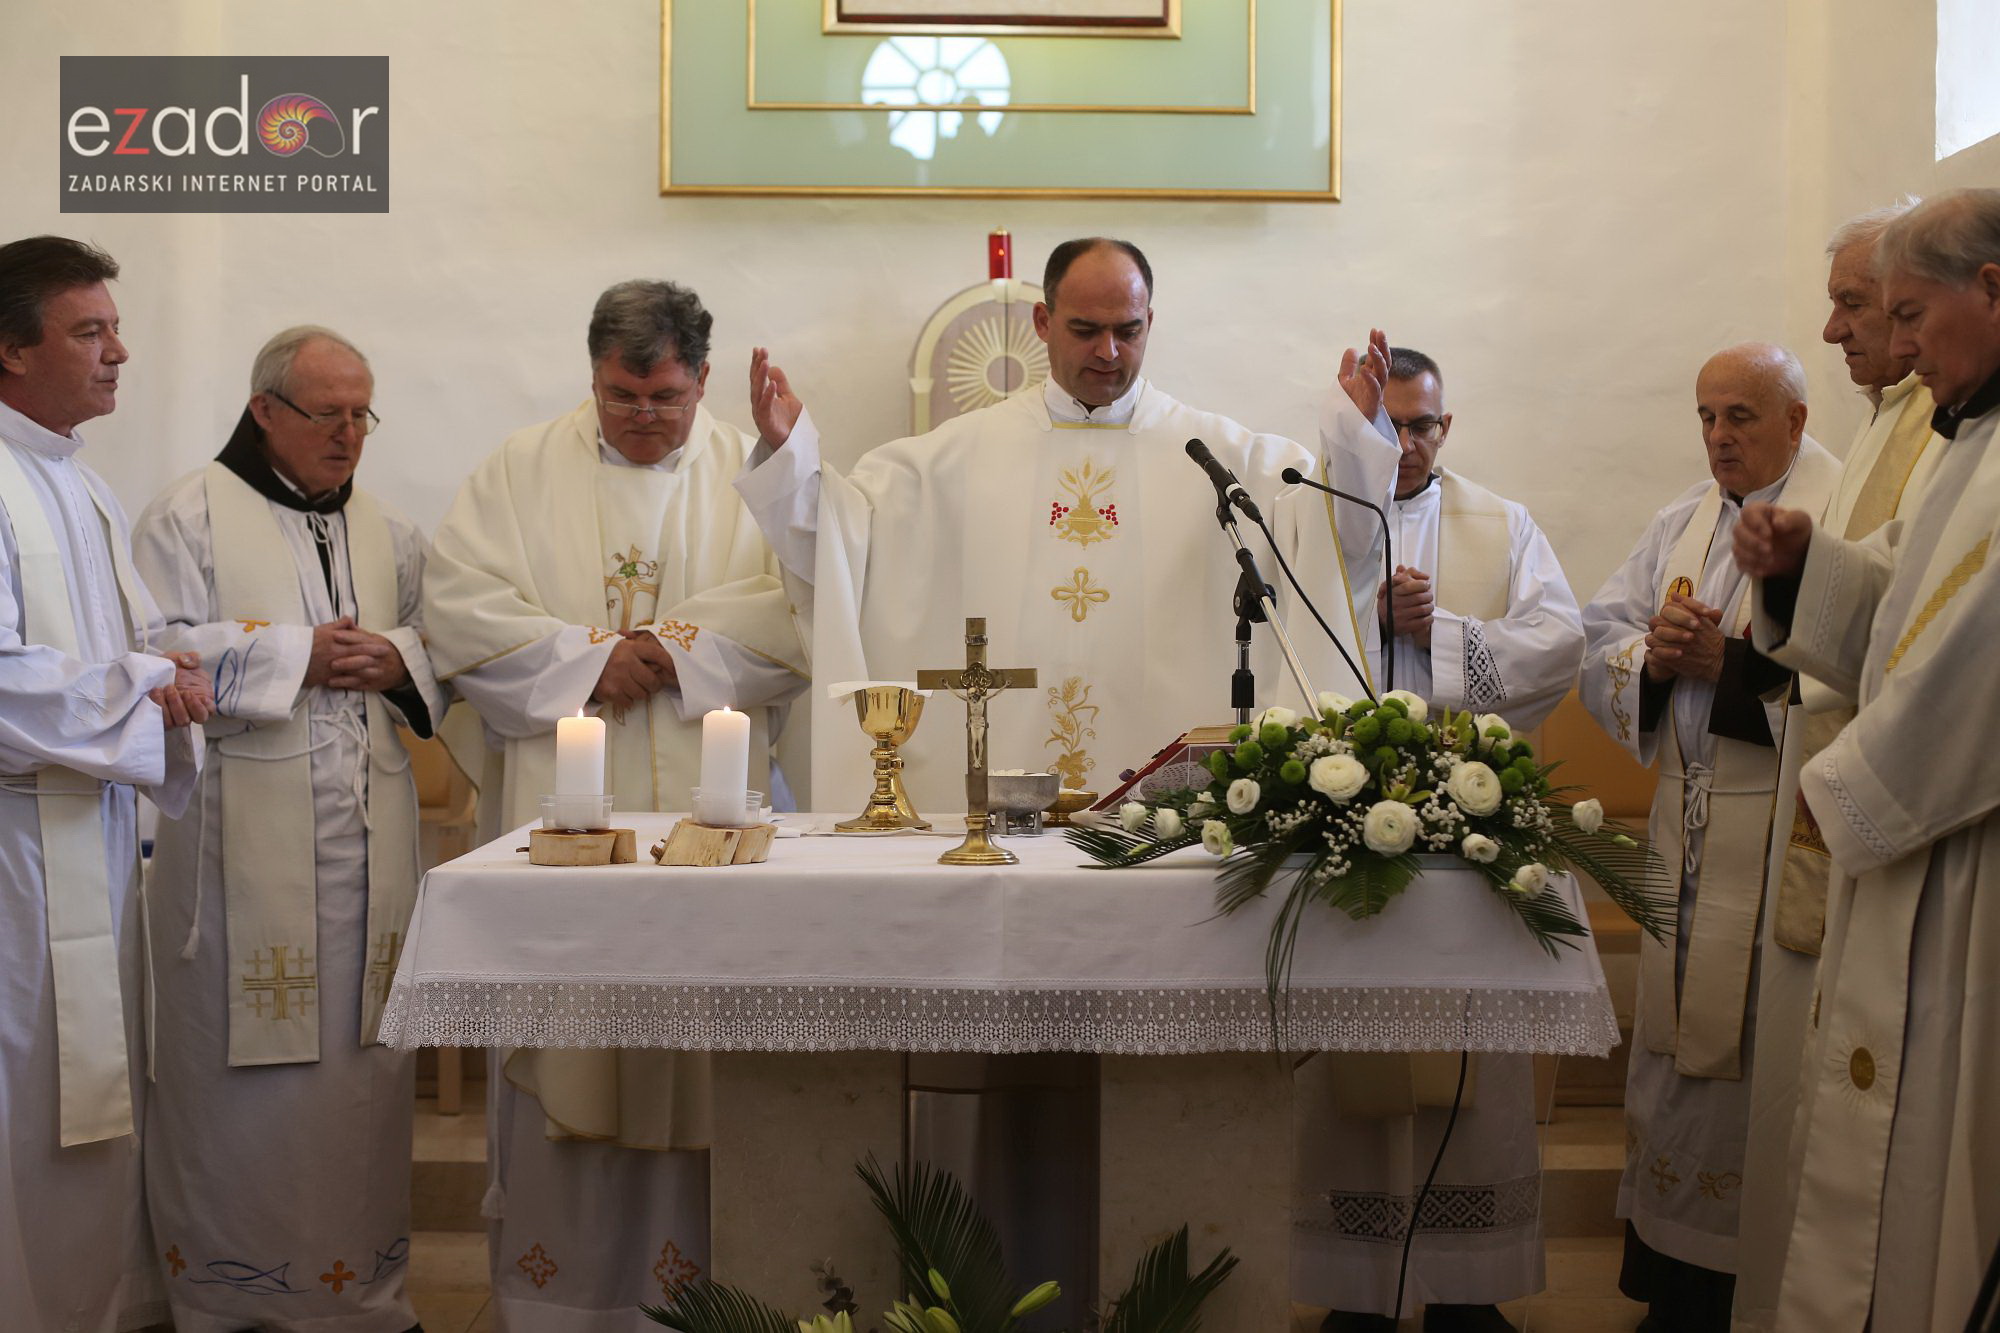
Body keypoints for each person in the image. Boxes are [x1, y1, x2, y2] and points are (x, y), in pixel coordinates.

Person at [423, 279, 806, 1329]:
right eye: (619, 394)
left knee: (698, 1055)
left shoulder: (753, 474)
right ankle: (564, 1306)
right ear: (592, 376)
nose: (641, 416)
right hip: (560, 819)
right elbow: (457, 607)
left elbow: (803, 604)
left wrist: (670, 651)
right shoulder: (517, 469)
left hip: (706, 829)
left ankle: (705, 1302)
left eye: (664, 397)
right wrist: (591, 658)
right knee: (568, 1039)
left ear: (702, 381)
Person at [737, 236, 1365, 816]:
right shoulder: (949, 461)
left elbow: (1327, 536)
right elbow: (843, 543)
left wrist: (1357, 448)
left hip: (1171, 824)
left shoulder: (1228, 461)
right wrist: (792, 458)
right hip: (998, 812)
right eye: (1085, 330)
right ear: (1042, 323)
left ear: (1152, 324)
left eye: (1128, 330)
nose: (1108, 351)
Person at [131, 325, 442, 1332]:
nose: (349, 434)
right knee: (242, 1080)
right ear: (265, 411)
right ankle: (232, 1301)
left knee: (358, 1078)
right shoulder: (186, 517)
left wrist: (398, 662)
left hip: (370, 850)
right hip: (236, 863)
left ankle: (362, 1300)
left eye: (362, 414)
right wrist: (289, 656)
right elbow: (146, 651)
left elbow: (440, 645)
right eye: (327, 414)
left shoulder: (389, 529)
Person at [1737, 186, 2000, 1333]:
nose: (1893, 348)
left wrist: (1843, 785)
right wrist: (1807, 563)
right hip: (1928, 835)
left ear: (1988, 289)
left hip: (1967, 847)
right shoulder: (1968, 437)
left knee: (1941, 1146)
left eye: (1908, 316)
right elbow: (1900, 586)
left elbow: (1977, 657)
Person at [1293, 339, 1584, 1332]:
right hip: (1342, 838)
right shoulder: (1313, 517)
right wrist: (1369, 623)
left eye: (1421, 424)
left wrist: (1444, 633)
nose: (1406, 443)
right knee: (1355, 1062)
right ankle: (1360, 1288)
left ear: (1444, 426)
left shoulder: (1499, 524)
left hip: (1463, 837)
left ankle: (1466, 1286)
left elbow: (1558, 643)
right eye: (1386, 426)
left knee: (1471, 1061)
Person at [1579, 343, 1840, 1332]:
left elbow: (1853, 688)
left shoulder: (1840, 517)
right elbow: (1595, 635)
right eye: (1705, 416)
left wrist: (1723, 666)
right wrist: (1649, 662)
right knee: (1667, 1071)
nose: (1718, 436)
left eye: (1739, 415)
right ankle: (1670, 1293)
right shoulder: (1677, 523)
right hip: (1682, 836)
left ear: (1796, 421)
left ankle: (1740, 1298)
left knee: (1747, 1078)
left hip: (1777, 846)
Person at [0, 234, 209, 1332]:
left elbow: (110, 643)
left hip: (88, 845)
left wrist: (163, 665)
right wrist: (139, 682)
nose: (119, 352)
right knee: (20, 1129)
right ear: (8, 346)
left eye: (115, 328)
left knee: (80, 1127)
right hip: (15, 863)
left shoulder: (79, 480)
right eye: (90, 331)